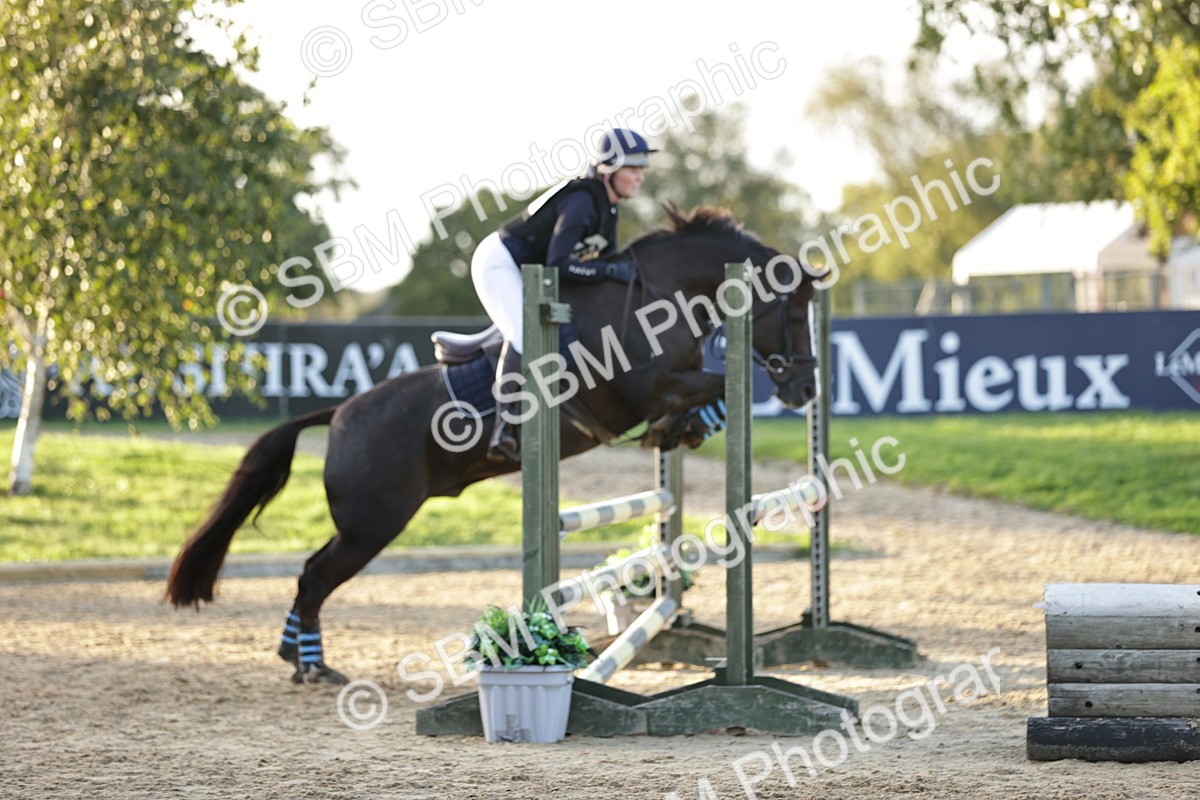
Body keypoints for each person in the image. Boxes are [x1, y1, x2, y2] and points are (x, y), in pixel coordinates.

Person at [471, 128, 655, 462]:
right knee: (525, 336)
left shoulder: (608, 209)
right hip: (500, 264)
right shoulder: (583, 201)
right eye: (634, 168)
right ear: (608, 170)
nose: (641, 175)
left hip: (531, 272)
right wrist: (608, 272)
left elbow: (604, 264)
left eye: (642, 168)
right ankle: (504, 428)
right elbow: (559, 264)